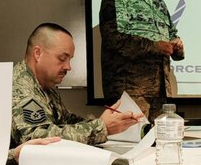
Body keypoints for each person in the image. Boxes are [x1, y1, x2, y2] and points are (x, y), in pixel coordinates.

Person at [10, 23, 139, 146]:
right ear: (38, 53)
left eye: (69, 59)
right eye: (62, 58)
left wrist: (109, 121)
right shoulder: (20, 87)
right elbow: (38, 139)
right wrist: (101, 127)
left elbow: (68, 121)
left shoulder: (46, 86)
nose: (68, 67)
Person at [98, 0, 185, 119]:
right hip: (129, 93)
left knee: (159, 145)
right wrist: (155, 46)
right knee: (131, 145)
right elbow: (114, 38)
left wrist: (177, 46)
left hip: (160, 94)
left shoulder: (159, 3)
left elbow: (171, 36)